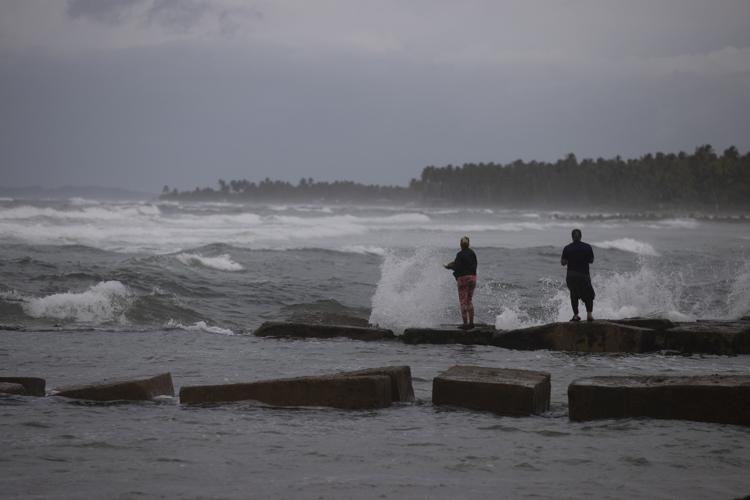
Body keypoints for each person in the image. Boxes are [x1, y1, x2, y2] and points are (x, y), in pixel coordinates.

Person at [560, 228, 595, 322]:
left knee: (574, 294)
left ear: (572, 237)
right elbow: (591, 261)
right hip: (584, 274)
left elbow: (563, 263)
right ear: (581, 237)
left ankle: (576, 316)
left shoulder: (567, 248)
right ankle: (589, 315)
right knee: (588, 294)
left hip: (571, 274)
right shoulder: (587, 247)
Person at [444, 236, 477, 329]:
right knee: (469, 301)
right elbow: (468, 263)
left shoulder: (460, 254)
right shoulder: (472, 253)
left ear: (460, 245)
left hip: (463, 279)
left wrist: (450, 267)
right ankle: (471, 323)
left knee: (463, 302)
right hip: (473, 278)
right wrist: (455, 262)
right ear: (469, 244)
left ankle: (465, 324)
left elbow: (458, 267)